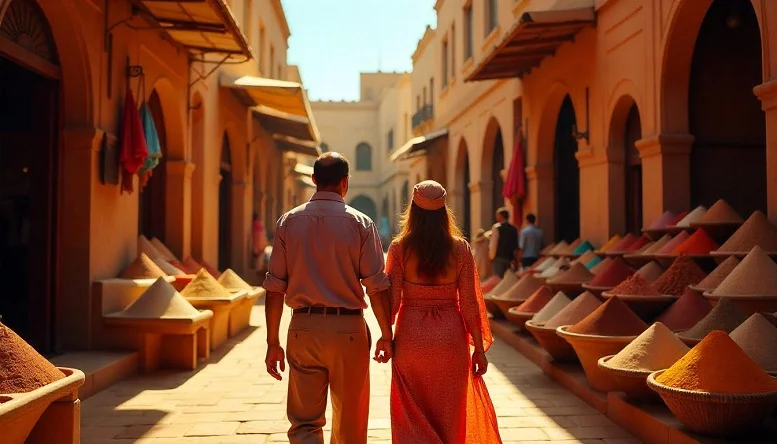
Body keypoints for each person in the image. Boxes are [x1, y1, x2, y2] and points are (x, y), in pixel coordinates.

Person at [263, 152, 394, 444]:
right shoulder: (361, 223)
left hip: (303, 329)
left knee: (304, 422)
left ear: (313, 180)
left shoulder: (288, 221)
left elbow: (274, 289)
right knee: (350, 423)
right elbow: (376, 286)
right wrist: (387, 334)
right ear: (345, 183)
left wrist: (273, 343)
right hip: (348, 331)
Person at [386, 180, 502, 443]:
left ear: (413, 210)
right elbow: (470, 303)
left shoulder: (399, 249)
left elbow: (391, 302)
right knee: (450, 417)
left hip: (411, 340)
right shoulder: (460, 249)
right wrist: (479, 350)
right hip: (451, 341)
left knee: (410, 416)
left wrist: (385, 337)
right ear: (443, 211)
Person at [488, 207, 519, 278]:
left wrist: (491, 256)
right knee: (508, 279)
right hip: (510, 258)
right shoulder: (513, 229)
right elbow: (516, 246)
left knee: (498, 279)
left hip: (499, 257)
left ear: (501, 216)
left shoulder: (496, 227)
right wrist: (515, 260)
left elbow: (493, 244)